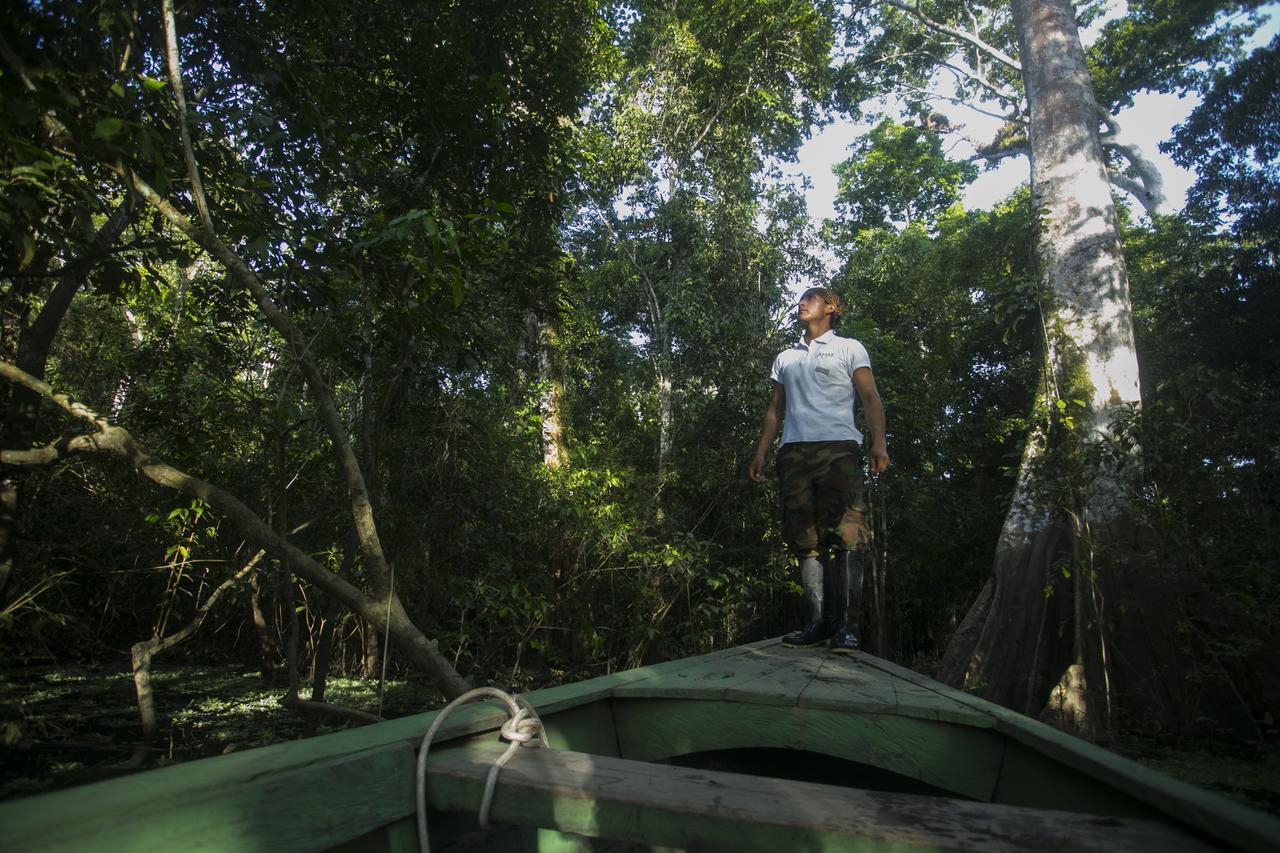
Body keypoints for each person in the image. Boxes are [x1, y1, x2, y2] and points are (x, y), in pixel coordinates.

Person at [748, 287, 889, 653]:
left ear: (830, 308)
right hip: (793, 452)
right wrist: (762, 452)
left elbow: (869, 397)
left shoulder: (849, 348)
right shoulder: (786, 357)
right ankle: (816, 624)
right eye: (800, 300)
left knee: (846, 535)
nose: (801, 303)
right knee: (804, 539)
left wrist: (879, 443)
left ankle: (846, 628)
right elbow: (775, 410)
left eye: (810, 299)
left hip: (839, 448)